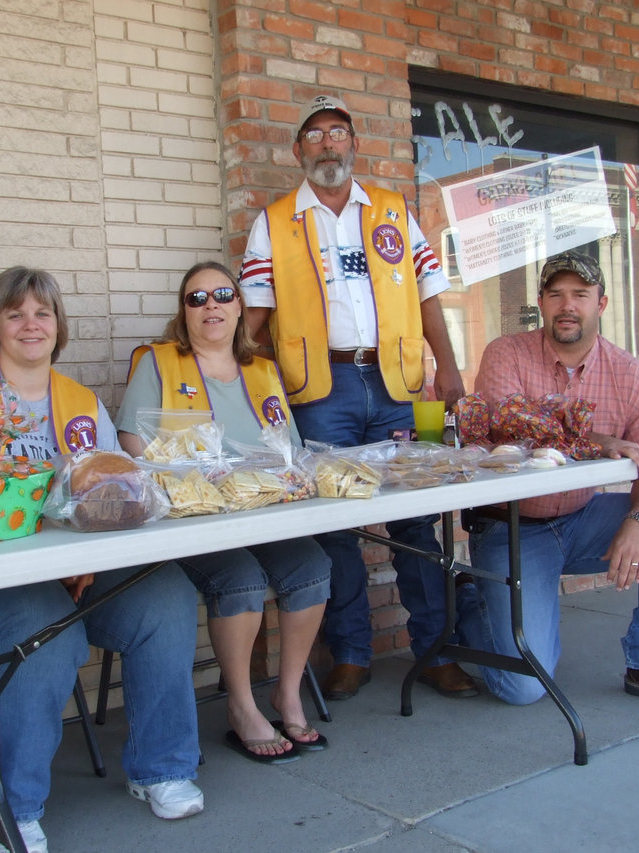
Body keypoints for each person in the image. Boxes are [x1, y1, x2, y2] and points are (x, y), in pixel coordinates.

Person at [0, 267, 203, 853]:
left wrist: (91, 550)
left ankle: (163, 769)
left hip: (73, 577)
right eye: (14, 313)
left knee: (167, 596)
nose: (30, 324)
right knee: (49, 633)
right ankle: (10, 809)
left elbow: (120, 495)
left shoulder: (81, 404)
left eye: (42, 313)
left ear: (59, 326)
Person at [239, 94, 475, 702]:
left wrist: (446, 368)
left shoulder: (394, 211)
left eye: (337, 133)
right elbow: (254, 319)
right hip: (321, 391)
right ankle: (350, 653)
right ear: (298, 152)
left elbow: (427, 296)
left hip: (398, 388)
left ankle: (436, 651)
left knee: (418, 521)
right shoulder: (276, 220)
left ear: (353, 144)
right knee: (333, 528)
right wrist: (240, 381)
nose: (327, 144)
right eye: (314, 135)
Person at [458, 250, 639, 709]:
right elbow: (509, 432)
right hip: (513, 528)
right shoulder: (506, 352)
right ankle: (469, 601)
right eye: (556, 294)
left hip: (583, 518)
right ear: (540, 303)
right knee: (522, 688)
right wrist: (597, 439)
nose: (568, 305)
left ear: (600, 303)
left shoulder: (630, 374)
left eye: (580, 294)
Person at [117, 261, 332, 763]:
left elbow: (290, 450)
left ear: (239, 307)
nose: (210, 305)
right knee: (241, 577)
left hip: (261, 511)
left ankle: (286, 692)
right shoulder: (158, 362)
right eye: (196, 298)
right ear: (184, 313)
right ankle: (240, 705)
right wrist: (187, 473)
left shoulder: (263, 370)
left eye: (221, 295)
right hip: (195, 519)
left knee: (312, 567)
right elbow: (130, 442)